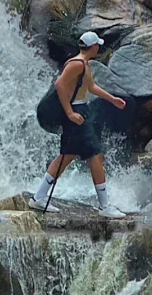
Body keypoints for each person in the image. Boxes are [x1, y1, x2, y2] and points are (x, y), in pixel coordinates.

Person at [31, 31, 127, 216]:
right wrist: (70, 112)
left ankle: (39, 197)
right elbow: (60, 84)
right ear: (92, 47)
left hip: (81, 111)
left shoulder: (83, 64)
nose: (99, 47)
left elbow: (90, 87)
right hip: (76, 114)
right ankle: (104, 206)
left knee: (67, 156)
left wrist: (112, 99)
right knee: (96, 155)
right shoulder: (76, 64)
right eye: (97, 45)